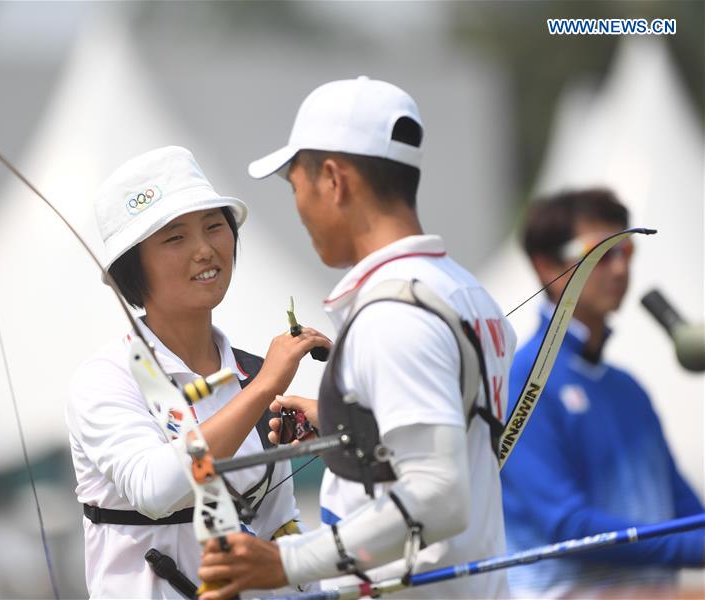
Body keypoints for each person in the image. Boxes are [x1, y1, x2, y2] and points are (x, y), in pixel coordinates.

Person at [198, 77, 516, 599]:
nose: (298, 206)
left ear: (333, 180)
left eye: (294, 184)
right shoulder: (465, 292)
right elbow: (448, 445)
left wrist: (285, 561)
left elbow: (438, 496)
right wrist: (346, 423)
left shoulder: (394, 316)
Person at [66, 146, 332, 598]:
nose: (205, 250)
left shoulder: (247, 372)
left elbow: (277, 524)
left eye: (214, 227)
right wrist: (267, 383)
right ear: (133, 267)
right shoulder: (106, 379)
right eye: (175, 238)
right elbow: (156, 489)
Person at [500, 189, 704, 598]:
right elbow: (568, 526)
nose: (619, 269)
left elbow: (686, 512)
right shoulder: (524, 378)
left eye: (626, 252)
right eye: (601, 253)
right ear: (546, 266)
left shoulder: (629, 390)